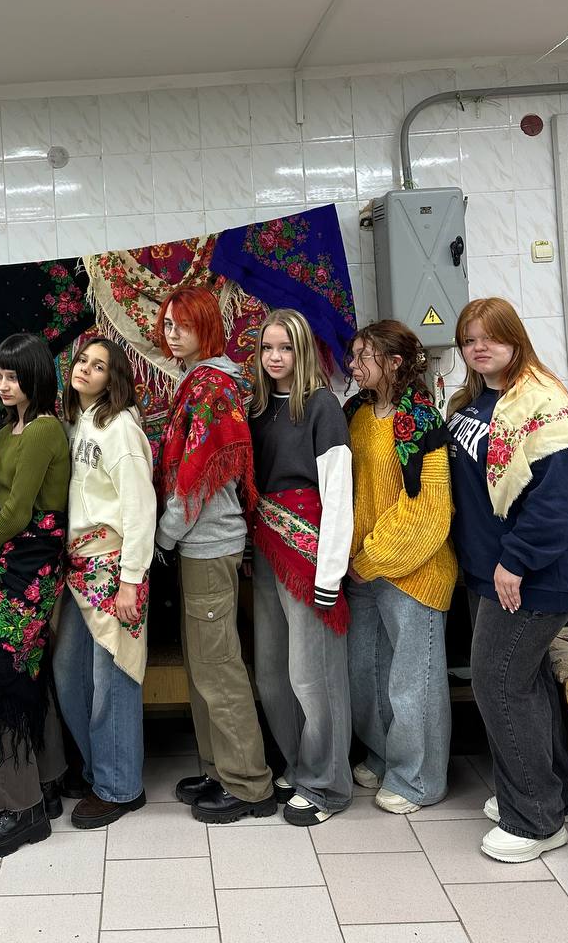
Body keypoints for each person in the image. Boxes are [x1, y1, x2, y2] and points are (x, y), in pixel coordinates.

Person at [447, 297, 568, 863]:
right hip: (492, 573)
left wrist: (517, 561)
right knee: (525, 683)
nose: (479, 347)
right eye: (469, 339)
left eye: (491, 337)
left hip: (532, 576)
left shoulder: (543, 401)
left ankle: (535, 820)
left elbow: (560, 499)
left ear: (515, 339)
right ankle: (550, 793)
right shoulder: (479, 399)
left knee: (499, 683)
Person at [154, 285, 277, 823]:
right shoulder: (201, 381)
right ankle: (218, 770)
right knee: (203, 663)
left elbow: (195, 479)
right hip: (200, 542)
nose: (171, 333)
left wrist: (164, 536)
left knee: (218, 666)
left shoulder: (211, 386)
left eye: (182, 324)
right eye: (167, 324)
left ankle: (249, 783)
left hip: (207, 542)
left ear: (205, 325)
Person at [0, 333, 71, 859]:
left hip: (33, 560)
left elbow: (16, 513)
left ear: (36, 376)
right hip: (4, 558)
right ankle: (44, 782)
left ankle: (20, 807)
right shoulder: (9, 430)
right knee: (17, 668)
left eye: (14, 375)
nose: (4, 385)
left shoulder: (46, 429)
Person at [344, 320, 456, 814]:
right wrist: (354, 557)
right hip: (363, 569)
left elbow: (430, 509)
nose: (353, 365)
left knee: (414, 682)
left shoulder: (422, 419)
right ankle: (384, 756)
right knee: (368, 673)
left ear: (394, 362)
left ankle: (418, 780)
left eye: (363, 357)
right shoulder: (357, 413)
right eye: (353, 356)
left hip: (414, 571)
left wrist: (371, 557)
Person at [249, 308, 353, 826]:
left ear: (303, 351)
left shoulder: (322, 406)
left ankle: (328, 785)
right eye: (268, 347)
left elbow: (338, 495)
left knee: (313, 677)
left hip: (309, 555)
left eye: (285, 347)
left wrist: (330, 573)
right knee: (272, 675)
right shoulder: (258, 407)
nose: (275, 357)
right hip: (267, 551)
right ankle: (299, 767)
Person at [53, 337, 156, 828]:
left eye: (98, 366)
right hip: (80, 567)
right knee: (69, 672)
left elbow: (140, 507)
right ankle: (99, 770)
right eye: (82, 361)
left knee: (113, 679)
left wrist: (131, 580)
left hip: (114, 567)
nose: (86, 369)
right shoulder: (82, 423)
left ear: (113, 379)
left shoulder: (120, 428)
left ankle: (119, 787)